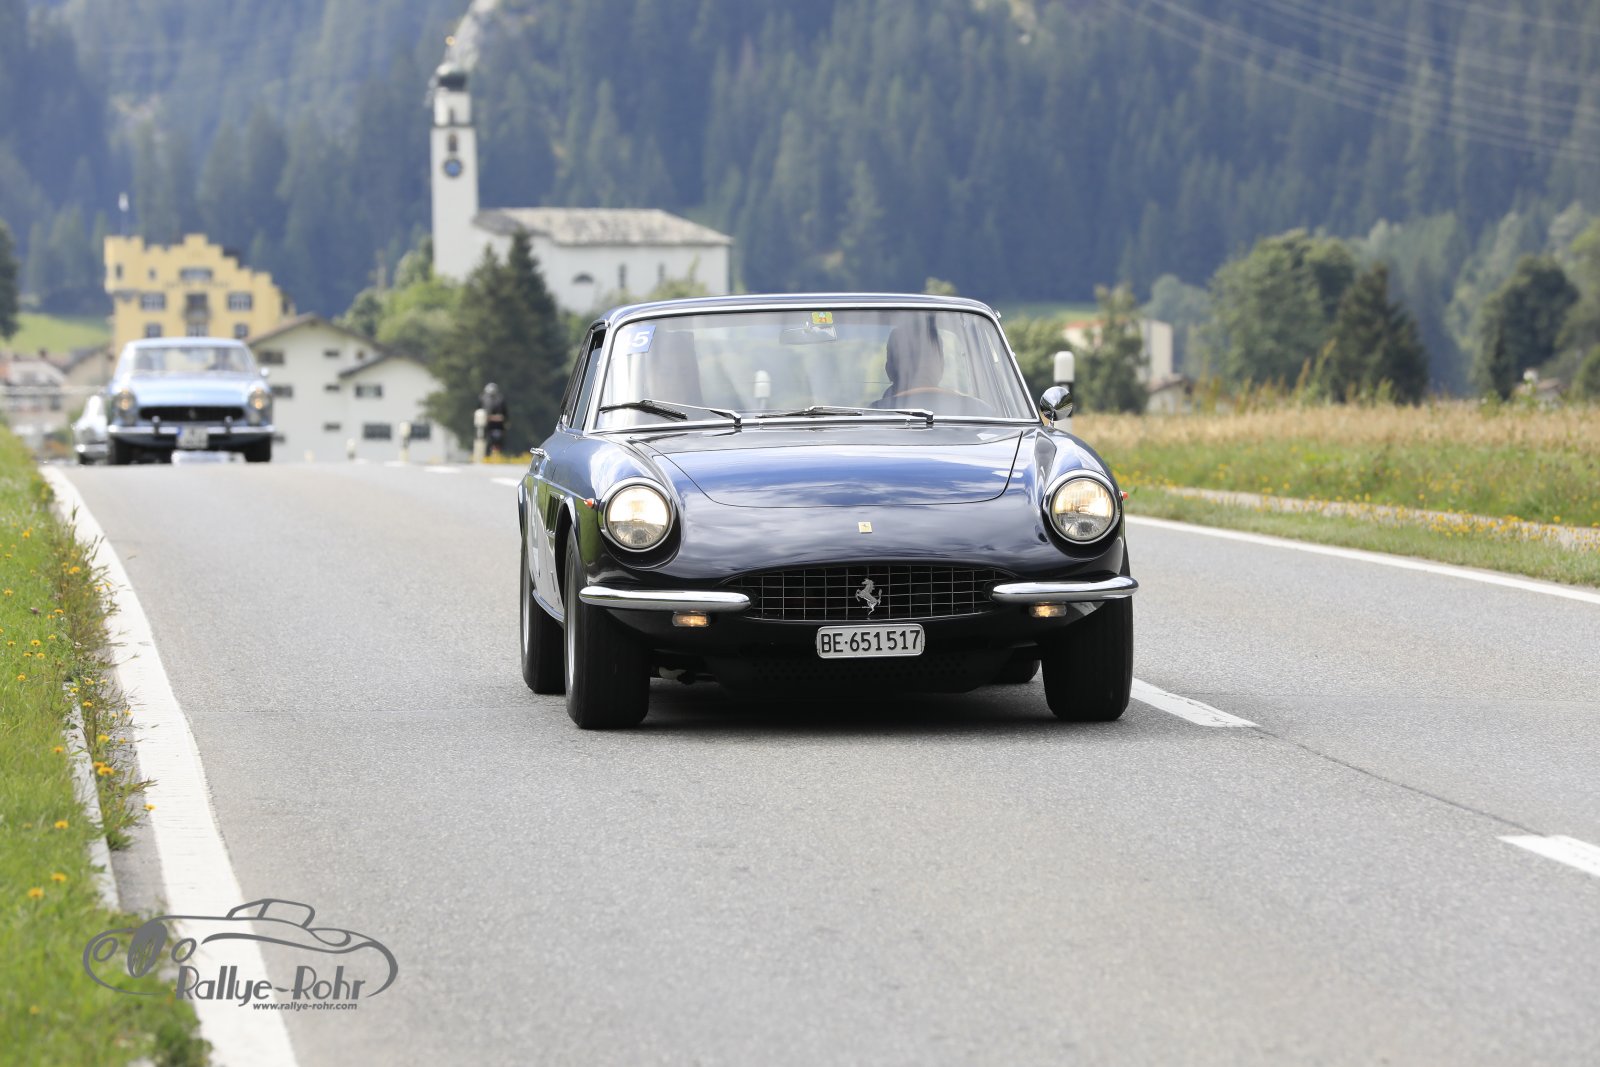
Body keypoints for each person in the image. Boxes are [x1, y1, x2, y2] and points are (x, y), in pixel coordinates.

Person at [480, 382, 508, 456]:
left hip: (498, 425)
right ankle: (487, 454)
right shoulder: (483, 399)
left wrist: (503, 420)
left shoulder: (500, 399)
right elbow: (479, 412)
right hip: (488, 424)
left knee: (498, 440)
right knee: (487, 440)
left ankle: (497, 454)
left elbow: (504, 413)